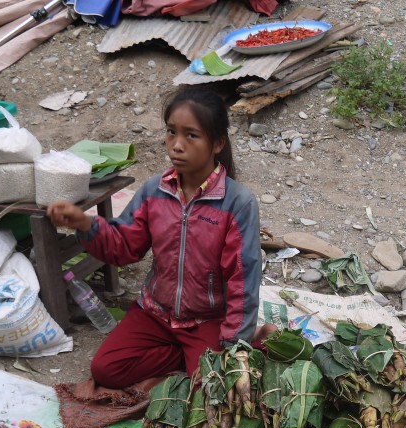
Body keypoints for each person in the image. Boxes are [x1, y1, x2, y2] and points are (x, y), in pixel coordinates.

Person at [46, 87, 264, 389]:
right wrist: (86, 224)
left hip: (206, 319)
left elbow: (243, 279)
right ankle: (183, 357)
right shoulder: (155, 191)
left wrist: (234, 345)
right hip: (156, 314)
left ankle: (195, 357)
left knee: (211, 385)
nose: (176, 145)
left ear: (217, 143)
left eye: (191, 135)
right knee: (105, 369)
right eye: (171, 132)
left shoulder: (236, 203)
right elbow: (124, 247)